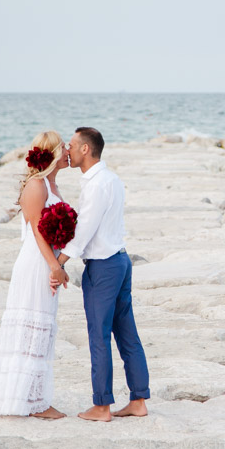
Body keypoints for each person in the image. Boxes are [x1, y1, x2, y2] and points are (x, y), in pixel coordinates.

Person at [52, 127, 150, 422]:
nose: (66, 151)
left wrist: (59, 261)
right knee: (127, 334)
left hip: (104, 266)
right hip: (120, 260)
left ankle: (102, 406)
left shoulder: (96, 184)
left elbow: (85, 229)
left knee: (99, 335)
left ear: (85, 149)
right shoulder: (112, 178)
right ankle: (138, 400)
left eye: (70, 145)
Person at [0, 131, 70, 420]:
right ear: (53, 153)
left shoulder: (51, 184)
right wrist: (54, 266)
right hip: (35, 263)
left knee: (42, 329)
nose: (69, 150)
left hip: (47, 260)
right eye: (64, 146)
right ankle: (31, 401)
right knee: (32, 325)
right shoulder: (37, 185)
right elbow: (36, 230)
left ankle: (34, 397)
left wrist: (59, 261)